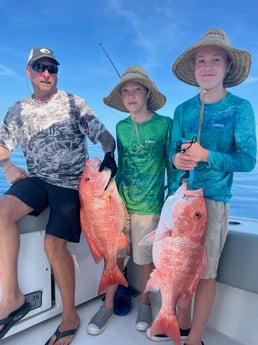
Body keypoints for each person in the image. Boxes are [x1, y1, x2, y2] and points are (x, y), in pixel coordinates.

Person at [0, 47, 117, 345]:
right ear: (28, 71)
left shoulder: (73, 103)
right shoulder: (17, 110)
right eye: (39, 67)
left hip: (71, 185)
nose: (46, 73)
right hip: (37, 180)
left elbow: (103, 134)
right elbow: (2, 145)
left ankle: (70, 315)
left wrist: (109, 153)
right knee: (2, 213)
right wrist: (7, 166)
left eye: (52, 68)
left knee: (53, 244)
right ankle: (12, 298)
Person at [169, 28, 257, 345]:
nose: (207, 67)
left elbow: (248, 160)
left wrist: (207, 155)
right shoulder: (183, 111)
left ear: (228, 67)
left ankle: (194, 338)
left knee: (206, 274)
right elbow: (173, 154)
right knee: (178, 268)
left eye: (215, 60)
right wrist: (178, 161)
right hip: (180, 202)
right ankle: (179, 324)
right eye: (201, 61)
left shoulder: (240, 108)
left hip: (214, 204)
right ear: (193, 69)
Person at [87, 66, 178, 336]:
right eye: (125, 91)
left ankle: (146, 304)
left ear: (147, 93)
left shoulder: (165, 124)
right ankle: (107, 304)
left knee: (144, 260)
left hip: (150, 205)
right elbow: (122, 165)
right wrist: (108, 171)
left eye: (136, 89)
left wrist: (171, 202)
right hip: (120, 204)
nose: (130, 95)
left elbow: (171, 167)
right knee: (114, 257)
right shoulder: (121, 127)